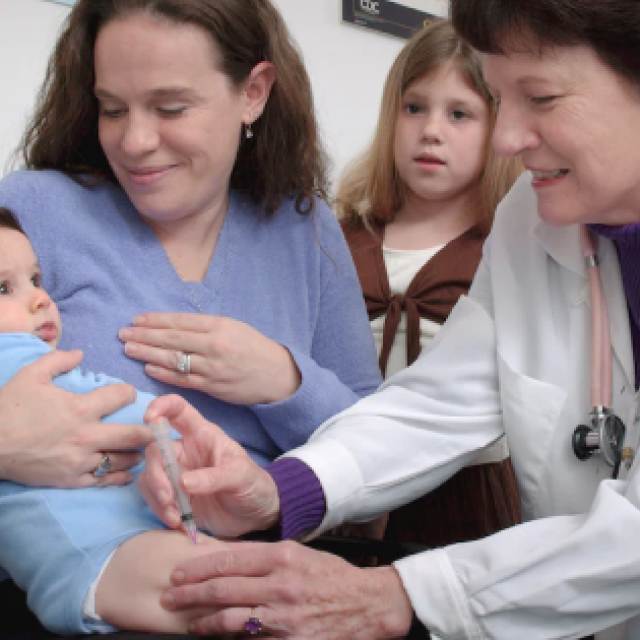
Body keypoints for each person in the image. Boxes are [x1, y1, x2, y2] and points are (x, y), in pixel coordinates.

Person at [137, 2, 640, 638]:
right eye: (497, 96)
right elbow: (438, 399)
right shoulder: (532, 220)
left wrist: (398, 594)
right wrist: (280, 491)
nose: (507, 138)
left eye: (539, 96)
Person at [0, 0, 381, 633]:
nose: (135, 140)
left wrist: (285, 381)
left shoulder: (303, 226)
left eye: (171, 108)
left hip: (262, 585)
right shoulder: (31, 210)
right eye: (112, 108)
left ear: (253, 93)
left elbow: (378, 448)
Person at [0, 206, 236, 635]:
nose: (40, 298)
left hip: (98, 551)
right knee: (245, 592)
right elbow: (112, 409)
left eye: (36, 280)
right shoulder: (13, 359)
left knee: (236, 599)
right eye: (3, 288)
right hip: (95, 551)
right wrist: (178, 426)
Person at [336, 19, 522, 548]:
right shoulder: (340, 234)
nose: (430, 130)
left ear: (497, 126)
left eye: (459, 113)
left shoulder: (511, 247)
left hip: (464, 498)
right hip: (344, 479)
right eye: (414, 107)